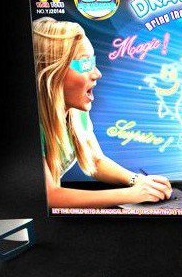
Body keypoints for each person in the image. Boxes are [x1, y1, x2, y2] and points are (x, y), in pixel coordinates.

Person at [32, 17, 172, 207]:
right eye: (84, 64)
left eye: (92, 62)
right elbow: (49, 196)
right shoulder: (34, 124)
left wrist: (137, 180)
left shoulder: (76, 112)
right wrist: (133, 194)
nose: (97, 73)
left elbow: (95, 161)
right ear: (53, 73)